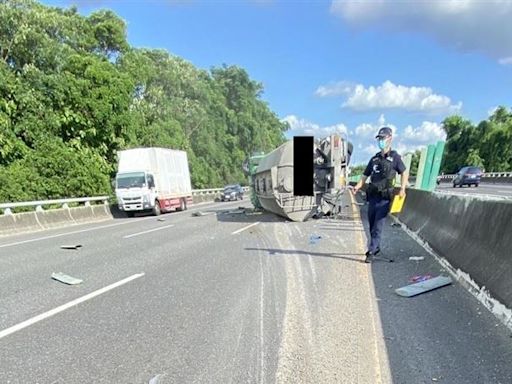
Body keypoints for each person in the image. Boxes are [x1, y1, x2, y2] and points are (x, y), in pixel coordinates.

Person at [351, 127, 409, 263]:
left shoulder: (395, 158)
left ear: (390, 138)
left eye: (383, 138)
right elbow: (365, 175)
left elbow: (404, 172)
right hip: (373, 197)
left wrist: (402, 188)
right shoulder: (374, 159)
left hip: (385, 198)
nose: (381, 141)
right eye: (379, 139)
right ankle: (375, 247)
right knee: (371, 224)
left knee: (378, 225)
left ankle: (371, 251)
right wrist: (358, 186)